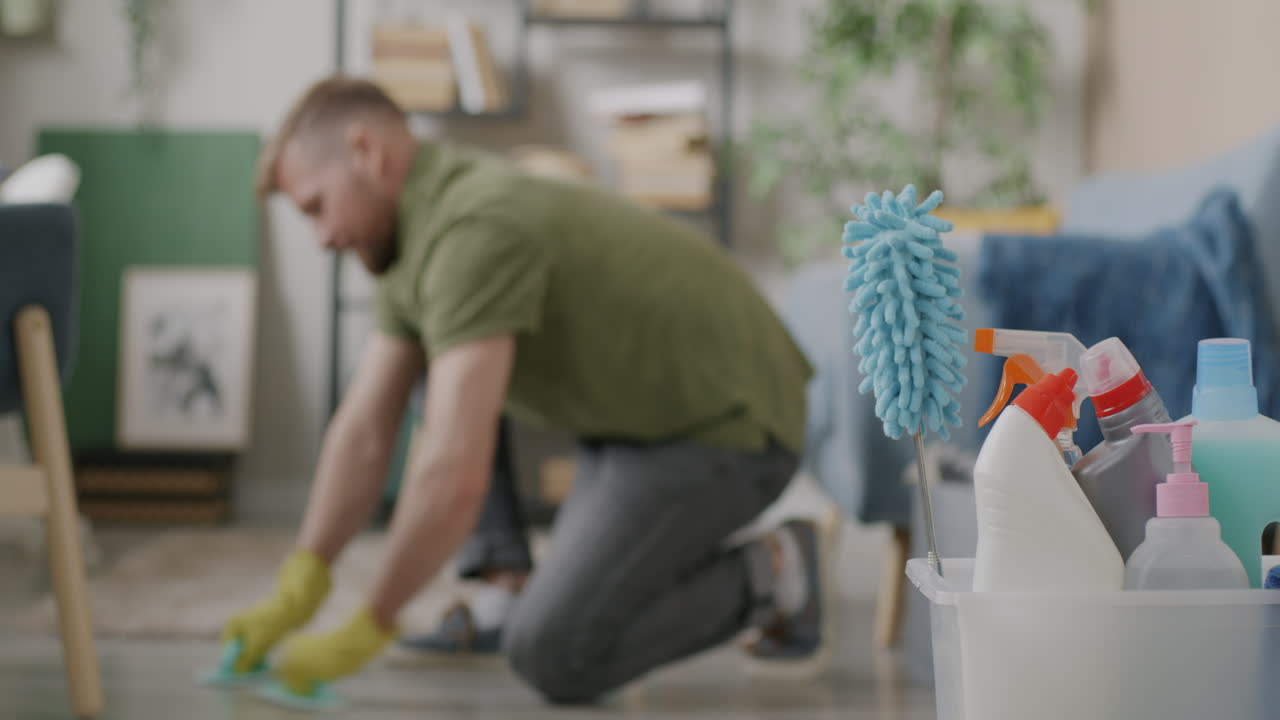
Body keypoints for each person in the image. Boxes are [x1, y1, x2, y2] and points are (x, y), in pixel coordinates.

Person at [222, 75, 833, 704]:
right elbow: (363, 432)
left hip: (727, 427)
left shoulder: (474, 230)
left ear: (366, 152)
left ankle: (780, 567)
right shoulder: (409, 240)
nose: (321, 238)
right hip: (632, 426)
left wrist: (373, 621)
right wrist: (301, 583)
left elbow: (453, 474)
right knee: (561, 602)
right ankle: (542, 583)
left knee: (554, 651)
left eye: (316, 206)